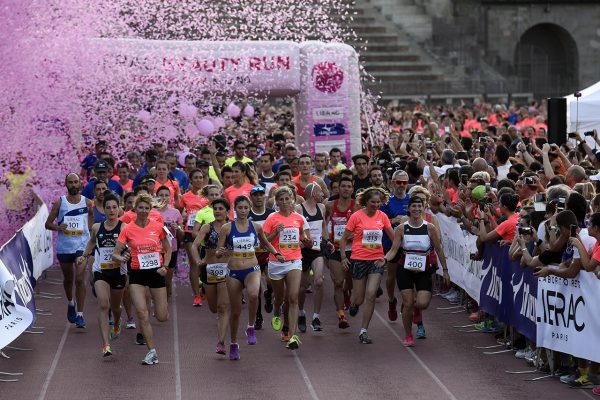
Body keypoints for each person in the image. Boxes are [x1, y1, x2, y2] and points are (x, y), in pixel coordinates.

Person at [217, 196, 284, 360]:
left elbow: (265, 243)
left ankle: (251, 326)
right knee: (236, 312)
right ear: (235, 209)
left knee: (254, 294)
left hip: (252, 268)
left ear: (249, 208)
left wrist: (275, 252)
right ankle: (233, 344)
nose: (243, 211)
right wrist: (220, 252)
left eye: (246, 208)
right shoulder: (226, 228)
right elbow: (220, 248)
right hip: (233, 271)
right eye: (240, 208)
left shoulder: (256, 226)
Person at [113, 193, 171, 365]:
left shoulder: (158, 226)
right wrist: (121, 258)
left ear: (150, 209)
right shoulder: (127, 229)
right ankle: (152, 351)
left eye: (147, 208)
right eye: (141, 208)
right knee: (142, 313)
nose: (144, 211)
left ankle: (156, 305)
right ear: (135, 209)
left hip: (156, 273)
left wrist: (165, 267)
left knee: (161, 316)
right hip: (137, 274)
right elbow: (116, 253)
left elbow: (168, 250)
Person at [384, 197, 450, 346]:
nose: (416, 209)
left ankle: (415, 309)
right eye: (413, 206)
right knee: (407, 303)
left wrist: (445, 270)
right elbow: (394, 250)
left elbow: (439, 250)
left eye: (419, 206)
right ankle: (408, 335)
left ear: (423, 208)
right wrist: (385, 259)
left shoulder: (430, 228)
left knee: (422, 303)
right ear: (409, 209)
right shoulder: (401, 228)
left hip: (424, 270)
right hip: (405, 270)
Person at [339, 187, 394, 344]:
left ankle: (363, 331)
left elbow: (394, 237)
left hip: (376, 260)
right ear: (366, 202)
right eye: (373, 203)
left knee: (371, 295)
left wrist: (388, 255)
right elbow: (343, 239)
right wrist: (343, 257)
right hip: (358, 259)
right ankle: (354, 303)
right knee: (359, 298)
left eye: (378, 202)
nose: (376, 205)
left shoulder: (382, 217)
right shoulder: (356, 217)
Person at [77, 194, 127, 357]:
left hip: (118, 271)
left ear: (119, 209)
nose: (112, 210)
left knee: (116, 307)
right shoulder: (97, 227)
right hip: (101, 271)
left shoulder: (124, 227)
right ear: (103, 209)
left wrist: (125, 256)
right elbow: (92, 241)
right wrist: (84, 255)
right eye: (108, 207)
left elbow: (132, 246)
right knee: (103, 305)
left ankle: (118, 322)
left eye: (114, 207)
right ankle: (106, 344)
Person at [262, 186, 312, 350]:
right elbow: (264, 242)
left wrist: (306, 241)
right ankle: (276, 312)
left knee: (292, 298)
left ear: (293, 200)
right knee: (280, 298)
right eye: (281, 199)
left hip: (294, 260)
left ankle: (292, 336)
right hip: (276, 262)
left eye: (287, 199)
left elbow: (308, 240)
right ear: (276, 202)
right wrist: (275, 233)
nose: (284, 202)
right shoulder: (272, 218)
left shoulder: (299, 218)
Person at [45, 173, 94, 328]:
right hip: (65, 247)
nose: (73, 185)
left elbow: (91, 222)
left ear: (80, 184)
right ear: (66, 184)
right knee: (68, 279)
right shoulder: (60, 203)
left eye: (76, 182)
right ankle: (70, 303)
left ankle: (80, 315)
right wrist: (58, 227)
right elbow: (47, 224)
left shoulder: (87, 203)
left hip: (81, 246)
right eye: (70, 182)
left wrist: (90, 237)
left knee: (80, 278)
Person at [189, 199, 231, 356]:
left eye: (221, 208)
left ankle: (221, 342)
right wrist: (198, 261)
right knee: (214, 308)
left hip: (227, 270)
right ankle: (204, 290)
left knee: (223, 307)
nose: (218, 211)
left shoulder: (232, 227)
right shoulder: (207, 227)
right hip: (210, 270)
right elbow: (194, 245)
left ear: (227, 211)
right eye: (215, 209)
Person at [296, 182, 331, 332]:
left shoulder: (321, 207)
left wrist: (327, 240)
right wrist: (302, 241)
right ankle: (301, 312)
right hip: (303, 250)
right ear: (312, 193)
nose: (322, 194)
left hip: (317, 249)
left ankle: (316, 317)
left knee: (318, 281)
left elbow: (323, 226)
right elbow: (295, 228)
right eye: (320, 191)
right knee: (302, 287)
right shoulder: (299, 208)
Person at [324, 176, 357, 328]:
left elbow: (363, 227)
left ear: (352, 188)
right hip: (335, 249)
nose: (345, 189)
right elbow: (323, 223)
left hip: (353, 250)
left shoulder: (357, 207)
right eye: (342, 186)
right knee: (338, 282)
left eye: (348, 186)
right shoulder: (329, 205)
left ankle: (347, 293)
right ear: (338, 188)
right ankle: (341, 315)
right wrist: (326, 239)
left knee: (349, 282)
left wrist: (354, 235)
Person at [379, 170, 410, 321]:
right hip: (390, 243)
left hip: (409, 245)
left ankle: (407, 301)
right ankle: (391, 300)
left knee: (409, 275)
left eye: (404, 183)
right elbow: (379, 223)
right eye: (399, 182)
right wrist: (394, 221)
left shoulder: (412, 200)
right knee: (391, 276)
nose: (402, 186)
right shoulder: (386, 202)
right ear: (393, 183)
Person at [179, 169, 210, 305]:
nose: (199, 180)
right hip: (189, 232)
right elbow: (179, 213)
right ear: (190, 180)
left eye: (201, 177)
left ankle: (204, 287)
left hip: (206, 232)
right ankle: (196, 295)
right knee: (194, 264)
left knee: (206, 262)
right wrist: (183, 219)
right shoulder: (185, 197)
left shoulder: (208, 196)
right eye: (196, 178)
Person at [248, 185, 276, 328]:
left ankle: (269, 294)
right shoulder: (247, 215)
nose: (258, 197)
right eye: (255, 195)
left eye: (260, 195)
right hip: (253, 254)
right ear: (251, 198)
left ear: (264, 196)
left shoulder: (271, 214)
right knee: (256, 287)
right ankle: (258, 316)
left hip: (269, 252)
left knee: (271, 281)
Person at [155, 186, 184, 298]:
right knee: (157, 279)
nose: (164, 197)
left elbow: (181, 235)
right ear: (156, 197)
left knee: (167, 280)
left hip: (171, 249)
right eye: (161, 195)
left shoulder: (175, 212)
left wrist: (177, 228)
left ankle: (166, 300)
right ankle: (158, 300)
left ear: (170, 197)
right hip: (155, 250)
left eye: (166, 195)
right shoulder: (152, 211)